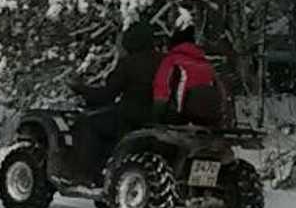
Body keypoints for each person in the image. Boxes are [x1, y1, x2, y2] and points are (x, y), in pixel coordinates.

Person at [73, 20, 162, 177]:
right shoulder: (163, 60)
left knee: (88, 123)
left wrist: (82, 90)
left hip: (131, 116)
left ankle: (87, 173)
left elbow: (108, 94)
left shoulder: (129, 63)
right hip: (157, 116)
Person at [153, 25, 228, 126]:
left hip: (178, 118)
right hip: (208, 119)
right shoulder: (206, 65)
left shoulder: (172, 61)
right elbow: (220, 90)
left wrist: (158, 112)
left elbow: (161, 87)